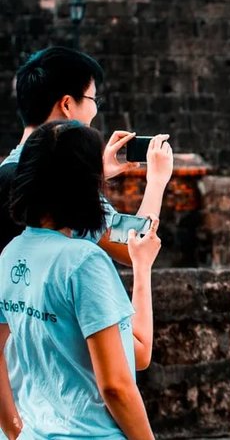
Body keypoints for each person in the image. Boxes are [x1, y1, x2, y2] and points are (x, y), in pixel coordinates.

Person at [0, 120, 161, 438]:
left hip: (36, 430)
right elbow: (117, 384)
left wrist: (15, 430)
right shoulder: (83, 263)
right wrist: (142, 268)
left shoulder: (11, 254)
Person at [0, 47, 173, 260]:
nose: (95, 110)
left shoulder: (7, 170)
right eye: (93, 100)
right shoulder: (62, 180)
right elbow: (132, 246)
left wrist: (93, 175)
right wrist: (157, 180)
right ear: (67, 104)